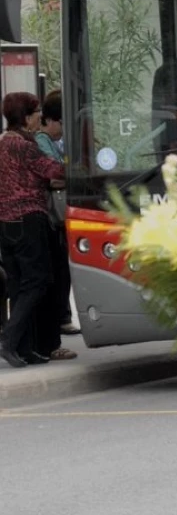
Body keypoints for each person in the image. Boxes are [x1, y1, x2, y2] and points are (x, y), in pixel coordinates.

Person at [0, 92, 67, 368]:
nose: (40, 116)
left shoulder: (3, 142)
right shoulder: (24, 147)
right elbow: (53, 171)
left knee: (18, 285)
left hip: (5, 224)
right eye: (36, 112)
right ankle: (8, 340)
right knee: (38, 281)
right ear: (26, 117)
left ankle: (24, 349)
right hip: (28, 220)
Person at [35, 90, 81, 344]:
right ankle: (60, 318)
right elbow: (53, 175)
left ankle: (63, 315)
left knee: (63, 267)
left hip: (60, 213)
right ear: (51, 120)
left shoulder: (58, 141)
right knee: (57, 268)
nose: (63, 129)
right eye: (62, 124)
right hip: (49, 215)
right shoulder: (42, 141)